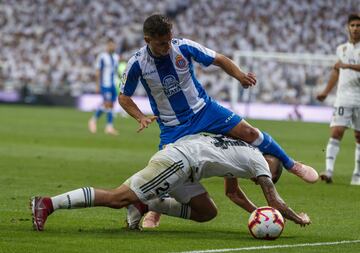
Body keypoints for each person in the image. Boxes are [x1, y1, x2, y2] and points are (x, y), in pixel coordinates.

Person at [118, 14, 317, 227]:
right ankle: (156, 210)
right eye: (161, 43)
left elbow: (219, 59)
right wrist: (139, 116)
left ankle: (291, 164)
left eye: (169, 39)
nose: (167, 46)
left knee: (249, 132)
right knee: (172, 171)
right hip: (173, 125)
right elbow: (123, 96)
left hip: (205, 110)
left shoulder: (183, 47)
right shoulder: (137, 63)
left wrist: (239, 75)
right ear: (147, 40)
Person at [31, 133, 311, 232]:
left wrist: (255, 213)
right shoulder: (260, 161)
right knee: (118, 198)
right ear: (271, 164)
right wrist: (298, 218)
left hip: (187, 167)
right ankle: (48, 204)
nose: (260, 181)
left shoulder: (243, 151)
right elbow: (274, 201)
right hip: (180, 162)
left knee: (207, 212)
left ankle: (148, 202)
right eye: (268, 178)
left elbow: (234, 194)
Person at [316, 14, 360, 185]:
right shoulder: (341, 49)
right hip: (344, 97)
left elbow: (343, 66)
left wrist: (347, 65)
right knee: (336, 131)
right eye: (353, 25)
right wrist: (326, 91)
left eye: (358, 25)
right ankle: (328, 170)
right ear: (348, 27)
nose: (356, 28)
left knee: (359, 136)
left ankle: (357, 174)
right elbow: (336, 70)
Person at [88, 38, 120, 135]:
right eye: (110, 45)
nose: (112, 47)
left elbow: (115, 71)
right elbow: (98, 72)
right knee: (107, 104)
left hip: (113, 84)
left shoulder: (116, 57)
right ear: (107, 46)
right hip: (105, 84)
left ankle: (108, 126)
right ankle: (95, 121)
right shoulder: (102, 57)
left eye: (114, 45)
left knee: (110, 105)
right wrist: (97, 85)